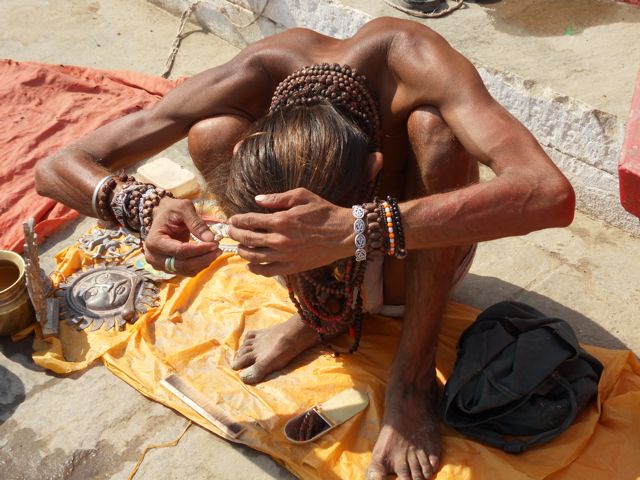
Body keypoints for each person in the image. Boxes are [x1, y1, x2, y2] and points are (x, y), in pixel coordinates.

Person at [35, 17, 575, 480]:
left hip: (416, 252)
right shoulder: (254, 75)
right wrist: (140, 205)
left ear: (374, 169)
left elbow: (549, 195)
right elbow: (55, 167)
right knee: (209, 133)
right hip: (349, 234)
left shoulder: (415, 60)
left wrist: (354, 229)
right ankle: (320, 315)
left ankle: (410, 380)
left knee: (437, 134)